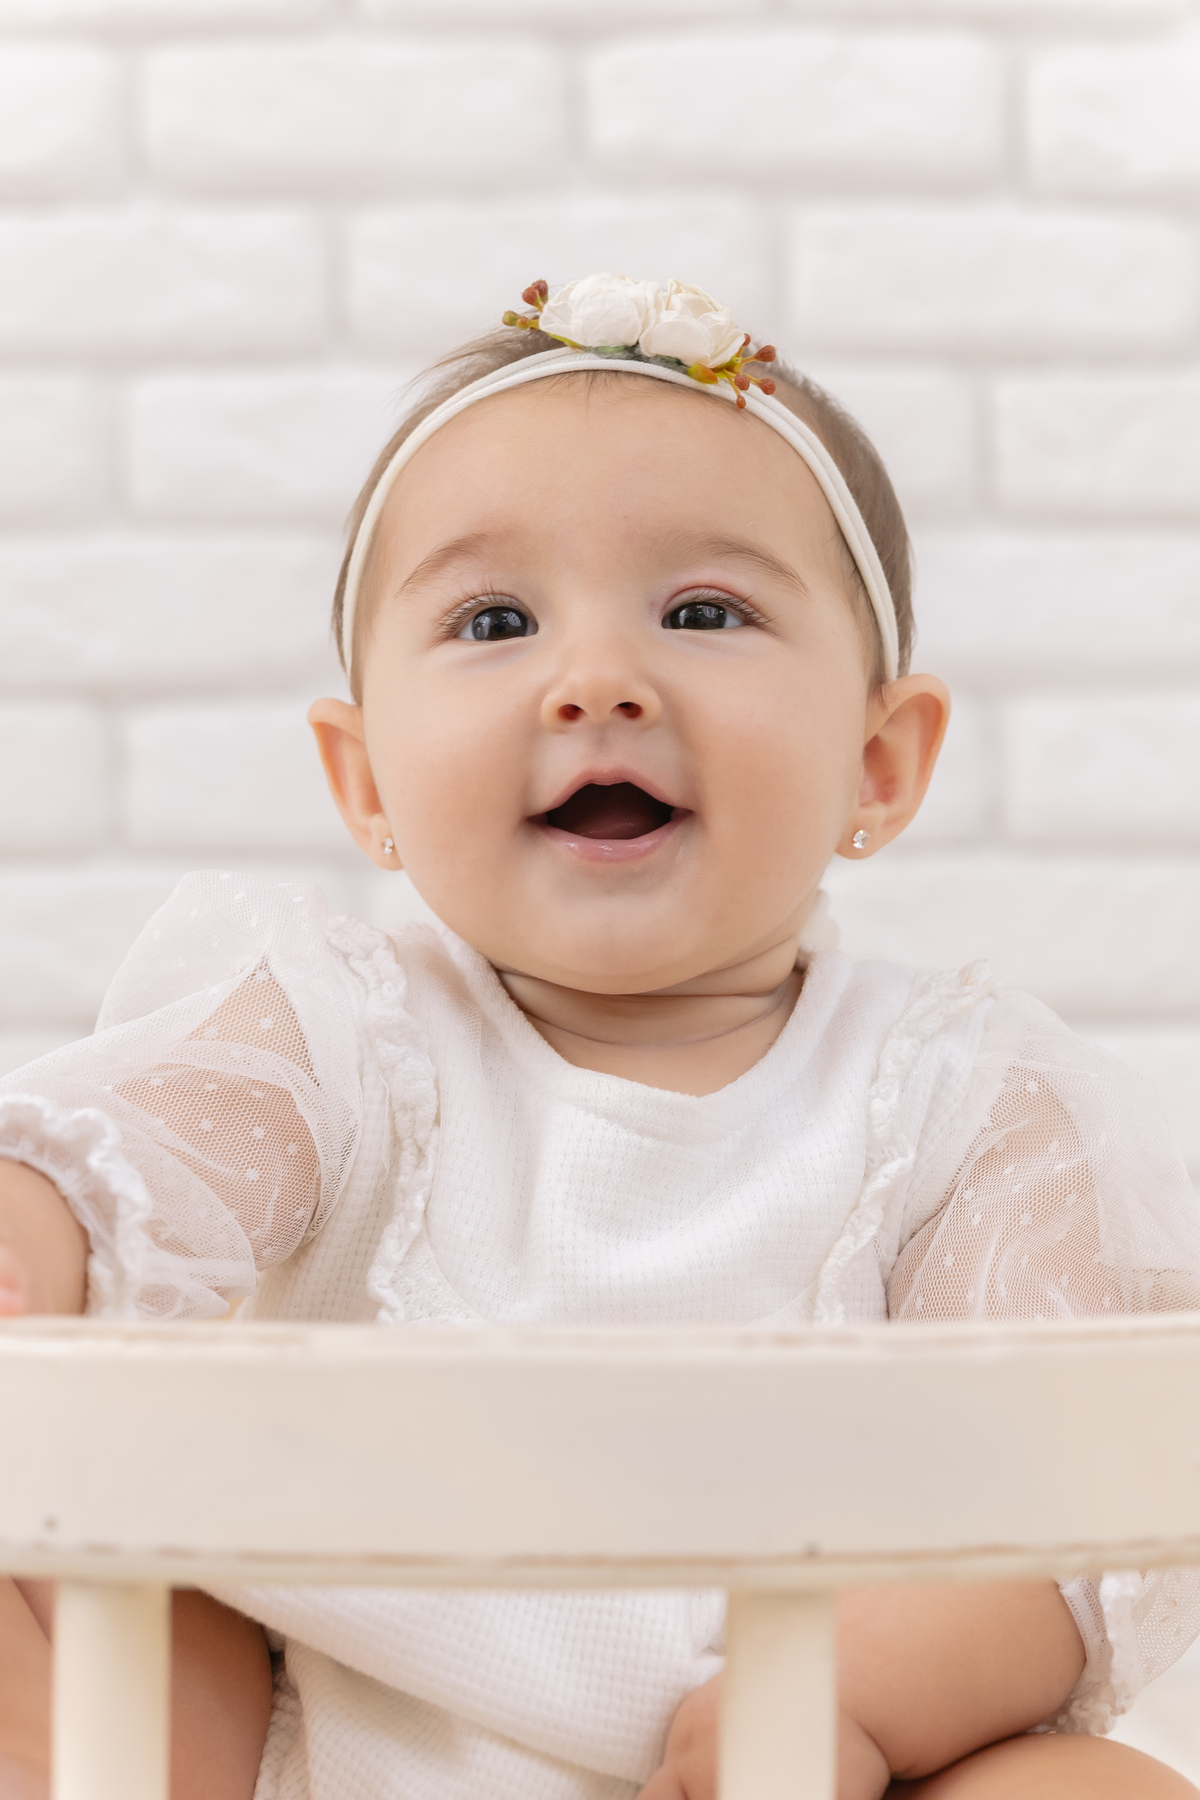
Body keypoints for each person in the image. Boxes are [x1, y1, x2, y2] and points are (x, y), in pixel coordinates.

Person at [1, 273, 1198, 1800]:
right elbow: (138, 1150)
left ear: (880, 764)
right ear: (363, 783)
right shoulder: (340, 1029)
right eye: (494, 620)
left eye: (704, 611)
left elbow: (1070, 1506)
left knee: (1092, 1788)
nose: (598, 684)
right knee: (90, 1575)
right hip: (337, 1747)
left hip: (797, 1763)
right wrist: (26, 1230)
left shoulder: (964, 1098)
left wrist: (860, 1699)